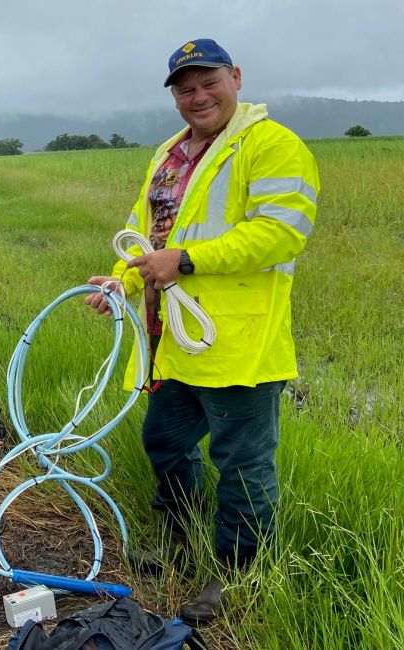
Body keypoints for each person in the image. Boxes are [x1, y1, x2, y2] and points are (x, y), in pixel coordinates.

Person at [85, 39, 319, 626]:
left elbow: (280, 233)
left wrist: (185, 260)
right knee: (165, 444)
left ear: (235, 78)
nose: (198, 96)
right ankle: (179, 544)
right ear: (175, 98)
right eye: (185, 89)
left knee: (242, 464)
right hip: (169, 346)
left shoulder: (271, 145)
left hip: (238, 347)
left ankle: (238, 573)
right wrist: (117, 279)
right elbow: (143, 233)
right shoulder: (168, 154)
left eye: (208, 82)